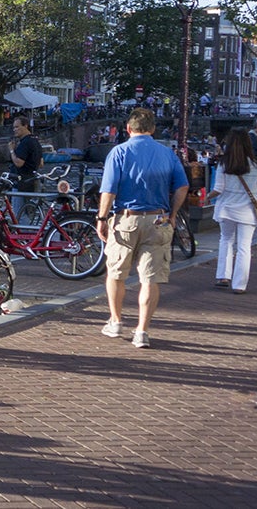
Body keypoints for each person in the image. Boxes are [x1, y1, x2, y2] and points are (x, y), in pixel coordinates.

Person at [95, 106, 189, 349]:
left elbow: (109, 190)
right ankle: (142, 331)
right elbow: (182, 187)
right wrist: (173, 212)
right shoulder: (167, 154)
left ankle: (116, 322)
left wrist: (102, 219)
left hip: (126, 219)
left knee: (116, 273)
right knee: (150, 279)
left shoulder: (119, 152)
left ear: (128, 128)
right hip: (158, 219)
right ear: (153, 129)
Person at [209, 129, 257, 293]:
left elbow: (218, 189)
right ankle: (239, 285)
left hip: (226, 209)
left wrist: (207, 197)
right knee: (244, 247)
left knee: (226, 240)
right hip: (247, 211)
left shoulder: (223, 163)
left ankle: (223, 276)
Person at [9, 115, 43, 222]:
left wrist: (11, 151)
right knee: (29, 212)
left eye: (17, 127)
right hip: (31, 182)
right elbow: (41, 163)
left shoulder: (25, 143)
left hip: (21, 182)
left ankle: (25, 237)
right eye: (14, 127)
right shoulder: (35, 141)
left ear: (26, 126)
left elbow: (19, 163)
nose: (15, 130)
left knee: (19, 214)